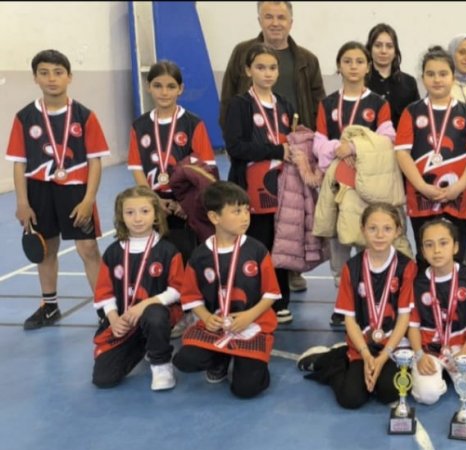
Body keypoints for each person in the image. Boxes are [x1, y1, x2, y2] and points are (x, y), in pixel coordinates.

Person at [8, 49, 110, 330]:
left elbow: (95, 161)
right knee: (45, 249)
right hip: (38, 190)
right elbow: (18, 163)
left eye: (58, 72)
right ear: (35, 78)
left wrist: (89, 200)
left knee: (88, 248)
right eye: (44, 73)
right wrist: (22, 202)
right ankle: (50, 306)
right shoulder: (24, 117)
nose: (51, 78)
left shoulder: (85, 116)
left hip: (76, 191)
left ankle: (106, 309)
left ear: (69, 77)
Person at [297, 203, 418, 408]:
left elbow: (404, 318)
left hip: (394, 346)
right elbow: (350, 319)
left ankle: (346, 355)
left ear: (398, 231)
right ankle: (334, 360)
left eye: (387, 228)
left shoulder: (407, 267)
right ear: (363, 229)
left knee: (390, 391)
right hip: (362, 345)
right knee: (351, 399)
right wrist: (366, 355)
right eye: (373, 228)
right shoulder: (352, 268)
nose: (379, 235)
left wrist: (382, 357)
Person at [172, 182, 280, 398]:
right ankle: (220, 359)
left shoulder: (257, 250)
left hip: (252, 324)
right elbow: (191, 297)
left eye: (246, 210)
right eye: (236, 211)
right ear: (214, 217)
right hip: (216, 326)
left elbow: (271, 294)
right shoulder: (200, 255)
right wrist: (206, 317)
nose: (245, 217)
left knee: (246, 389)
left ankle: (252, 365)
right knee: (184, 360)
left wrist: (249, 315)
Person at [314, 41, 395, 322]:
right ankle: (343, 303)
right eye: (347, 61)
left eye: (359, 61)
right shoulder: (327, 104)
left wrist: (355, 147)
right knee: (339, 245)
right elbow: (318, 142)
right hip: (338, 185)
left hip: (367, 186)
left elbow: (387, 140)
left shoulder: (378, 103)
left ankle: (369, 301)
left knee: (368, 240)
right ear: (338, 66)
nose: (353, 66)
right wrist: (337, 148)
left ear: (368, 67)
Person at [222, 43, 299, 323]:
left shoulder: (285, 105)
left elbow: (291, 142)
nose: (267, 73)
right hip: (251, 190)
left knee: (281, 245)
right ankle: (253, 301)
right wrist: (276, 150)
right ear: (248, 71)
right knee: (257, 245)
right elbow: (236, 147)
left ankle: (280, 300)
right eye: (260, 67)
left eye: (272, 68)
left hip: (282, 188)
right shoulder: (240, 105)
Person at [395, 46, 466, 264]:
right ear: (423, 78)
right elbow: (402, 154)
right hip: (421, 197)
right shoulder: (411, 112)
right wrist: (421, 186)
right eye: (431, 74)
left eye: (443, 74)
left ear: (453, 77)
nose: (437, 79)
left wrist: (459, 186)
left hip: (457, 196)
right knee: (426, 257)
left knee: (455, 255)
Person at [92, 186, 185, 390]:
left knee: (153, 315)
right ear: (121, 216)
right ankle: (144, 344)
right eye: (130, 212)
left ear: (156, 215)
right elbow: (104, 292)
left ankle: (161, 365)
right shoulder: (113, 252)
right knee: (104, 379)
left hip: (158, 316)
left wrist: (145, 305)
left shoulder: (168, 250)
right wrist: (114, 319)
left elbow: (178, 290)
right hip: (125, 320)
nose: (137, 218)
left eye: (144, 211)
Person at [127, 60, 218, 262]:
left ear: (180, 89)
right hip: (152, 203)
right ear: (148, 87)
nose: (164, 92)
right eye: (158, 86)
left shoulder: (193, 124)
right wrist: (153, 200)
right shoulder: (139, 126)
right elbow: (137, 168)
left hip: (185, 206)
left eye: (170, 86)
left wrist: (185, 204)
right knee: (156, 260)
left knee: (186, 259)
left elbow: (206, 171)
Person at [409, 219, 466, 405]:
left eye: (443, 243)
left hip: (462, 346)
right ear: (422, 251)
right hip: (430, 348)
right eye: (429, 245)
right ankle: (440, 375)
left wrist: (465, 351)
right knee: (427, 396)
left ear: (455, 247)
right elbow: (413, 326)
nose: (436, 250)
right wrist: (420, 355)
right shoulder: (417, 283)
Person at [219, 1, 324, 132]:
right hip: (252, 139)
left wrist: (313, 139)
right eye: (268, 17)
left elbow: (319, 108)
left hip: (296, 140)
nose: (275, 23)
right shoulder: (242, 53)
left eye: (281, 17)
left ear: (290, 23)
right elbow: (227, 102)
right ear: (260, 21)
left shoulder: (308, 60)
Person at [365, 23, 421, 129]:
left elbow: (417, 118)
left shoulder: (409, 83)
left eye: (389, 46)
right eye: (378, 45)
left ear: (395, 51)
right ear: (369, 49)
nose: (383, 51)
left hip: (401, 139)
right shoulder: (361, 82)